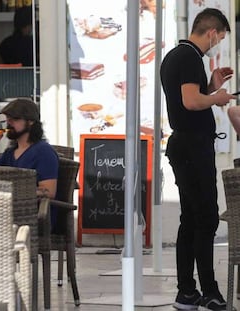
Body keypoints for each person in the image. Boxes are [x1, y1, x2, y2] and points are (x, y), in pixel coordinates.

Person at [160, 8, 236, 311]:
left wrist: (211, 86)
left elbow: (189, 97)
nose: (218, 44)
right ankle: (210, 292)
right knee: (206, 219)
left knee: (190, 220)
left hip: (185, 146)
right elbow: (192, 103)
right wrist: (216, 98)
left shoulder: (175, 56)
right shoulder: (190, 57)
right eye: (220, 38)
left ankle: (187, 292)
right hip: (192, 148)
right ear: (212, 32)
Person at [0, 98, 59, 226]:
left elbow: (49, 192)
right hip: (7, 215)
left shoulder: (43, 151)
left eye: (14, 119)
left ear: (31, 121)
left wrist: (10, 193)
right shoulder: (10, 153)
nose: (9, 124)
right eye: (8, 119)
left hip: (34, 217)